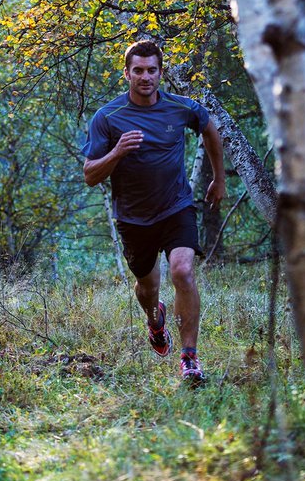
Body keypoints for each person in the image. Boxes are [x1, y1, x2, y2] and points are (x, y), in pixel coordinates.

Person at [82, 40, 226, 385]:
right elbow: (90, 175)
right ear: (127, 73)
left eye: (151, 70)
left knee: (182, 271)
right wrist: (116, 152)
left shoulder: (180, 108)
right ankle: (154, 318)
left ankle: (189, 358)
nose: (145, 77)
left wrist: (219, 178)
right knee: (147, 288)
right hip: (133, 218)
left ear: (161, 73)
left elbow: (209, 129)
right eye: (138, 71)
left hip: (176, 207)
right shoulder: (108, 117)